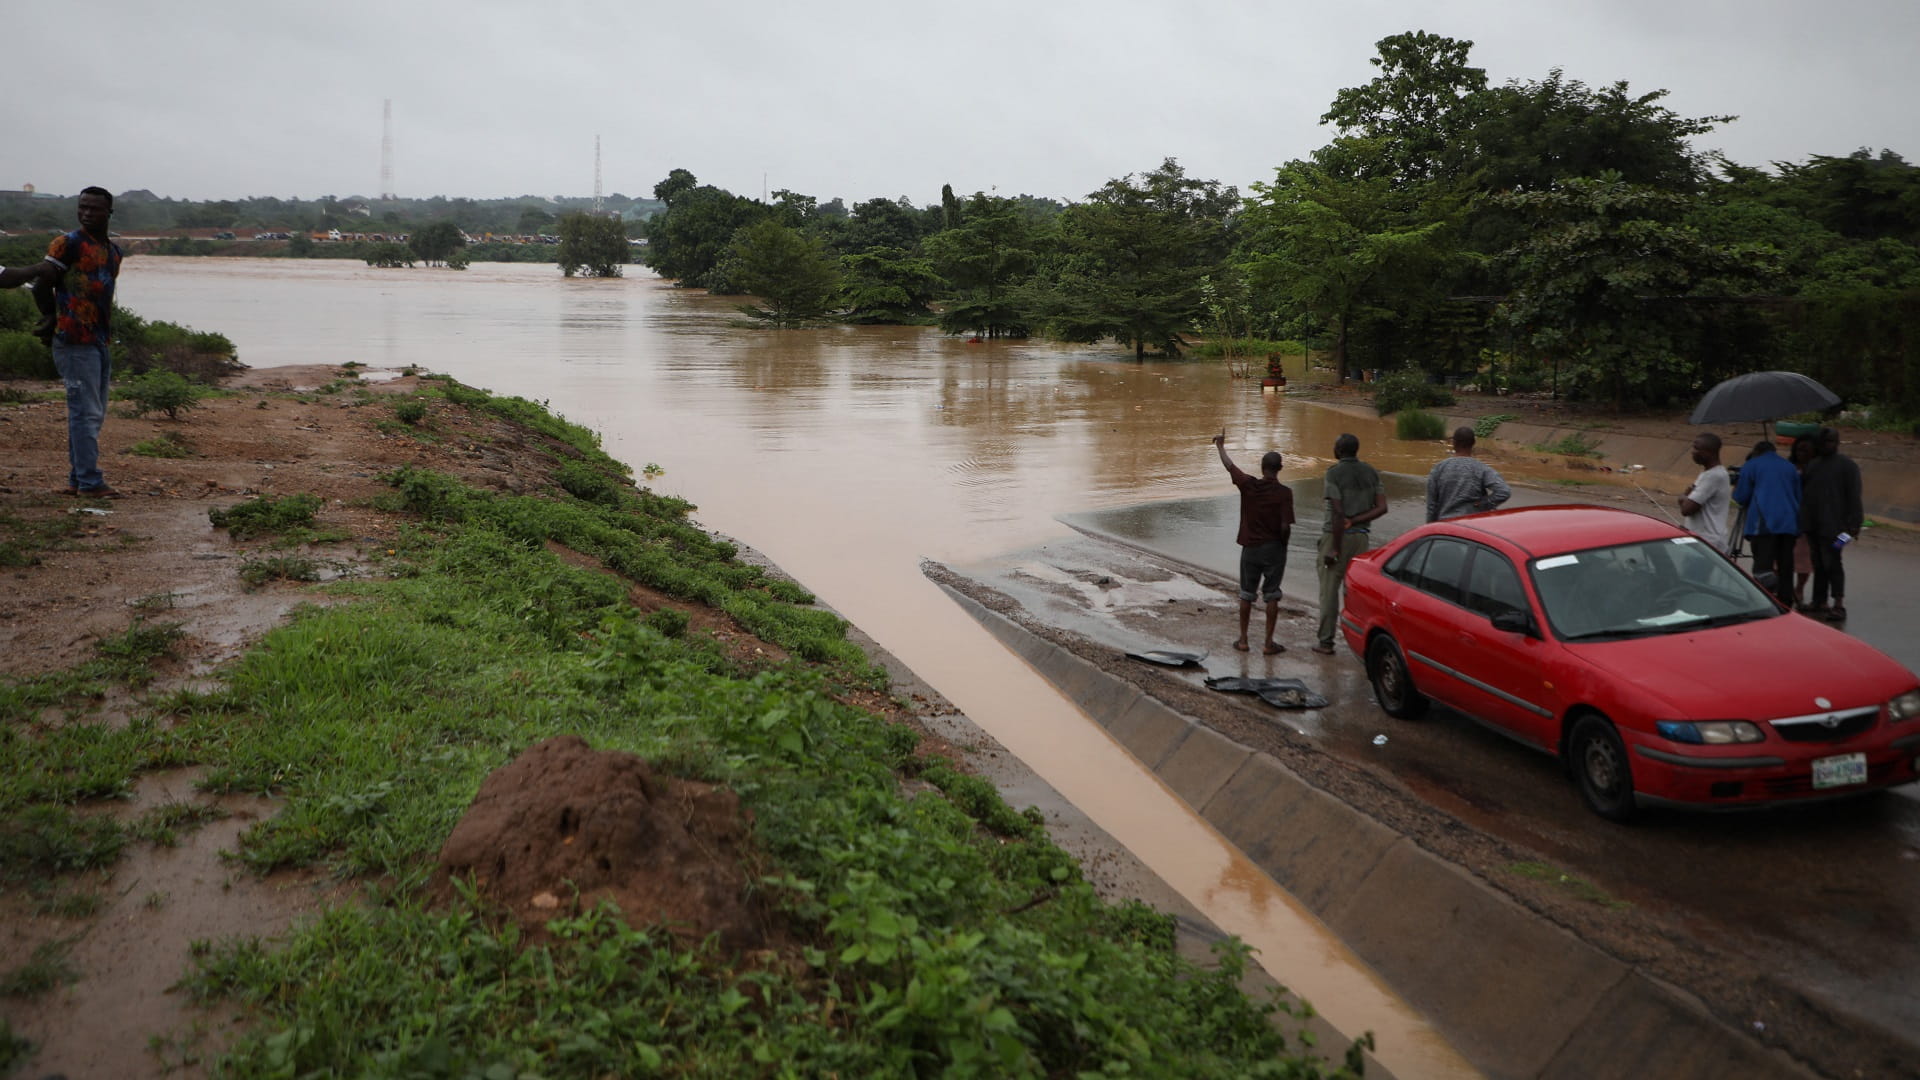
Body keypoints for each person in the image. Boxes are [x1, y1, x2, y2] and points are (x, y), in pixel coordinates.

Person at [34, 187, 125, 498]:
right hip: (73, 340)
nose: (87, 213)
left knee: (93, 412)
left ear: (109, 213)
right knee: (84, 412)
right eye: (82, 207)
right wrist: (49, 317)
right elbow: (41, 284)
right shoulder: (67, 244)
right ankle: (89, 482)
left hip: (99, 340)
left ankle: (79, 479)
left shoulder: (113, 251)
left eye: (95, 209)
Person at [1212, 433, 1295, 655]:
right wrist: (1283, 548)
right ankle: (1268, 643)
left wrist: (1220, 446)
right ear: (1280, 468)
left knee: (1247, 594)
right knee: (1272, 594)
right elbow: (1286, 527)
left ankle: (1243, 640)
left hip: (1250, 548)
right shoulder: (1285, 493)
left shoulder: (1249, 486)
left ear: (1262, 467)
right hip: (1274, 549)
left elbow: (1230, 466)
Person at [1313, 433, 1387, 655]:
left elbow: (1337, 511)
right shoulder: (1371, 472)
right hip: (1361, 537)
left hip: (1336, 536)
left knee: (1329, 590)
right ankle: (1362, 642)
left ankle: (1326, 642)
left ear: (1339, 450)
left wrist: (1334, 547)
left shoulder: (1334, 473)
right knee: (1355, 592)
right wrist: (1356, 520)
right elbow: (1382, 507)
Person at [1800, 426, 1863, 622]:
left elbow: (1854, 496)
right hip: (1814, 527)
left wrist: (1854, 524)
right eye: (1827, 441)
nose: (1831, 445)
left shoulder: (1847, 466)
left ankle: (1838, 604)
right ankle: (1819, 600)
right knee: (1818, 563)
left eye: (1834, 441)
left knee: (1833, 561)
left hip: (1839, 530)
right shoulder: (1813, 465)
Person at [1731, 439, 1800, 603]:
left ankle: (1762, 602)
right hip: (1789, 523)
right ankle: (1786, 600)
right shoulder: (1790, 467)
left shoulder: (1751, 465)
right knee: (1785, 565)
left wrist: (1737, 484)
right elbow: (1798, 497)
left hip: (1764, 523)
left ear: (1755, 452)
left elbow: (1741, 496)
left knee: (1762, 567)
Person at [1425, 426, 1511, 522]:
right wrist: (1483, 504)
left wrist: (1430, 528)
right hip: (1472, 526)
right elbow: (1504, 491)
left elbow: (1431, 505)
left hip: (1446, 526)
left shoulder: (1439, 468)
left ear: (1454, 443)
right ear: (1473, 443)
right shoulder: (1481, 468)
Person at [1678, 433, 1731, 553]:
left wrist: (1682, 498)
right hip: (1703, 539)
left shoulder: (1713, 476)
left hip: (1707, 541)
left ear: (1709, 453)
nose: (1692, 452)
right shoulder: (1709, 474)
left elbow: (1687, 509)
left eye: (1697, 448)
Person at [1789, 435, 1817, 606]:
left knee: (1804, 559)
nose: (1802, 453)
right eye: (1799, 450)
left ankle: (1799, 588)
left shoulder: (1817, 470)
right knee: (1782, 557)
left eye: (1806, 450)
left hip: (1809, 520)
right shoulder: (1789, 468)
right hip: (1789, 517)